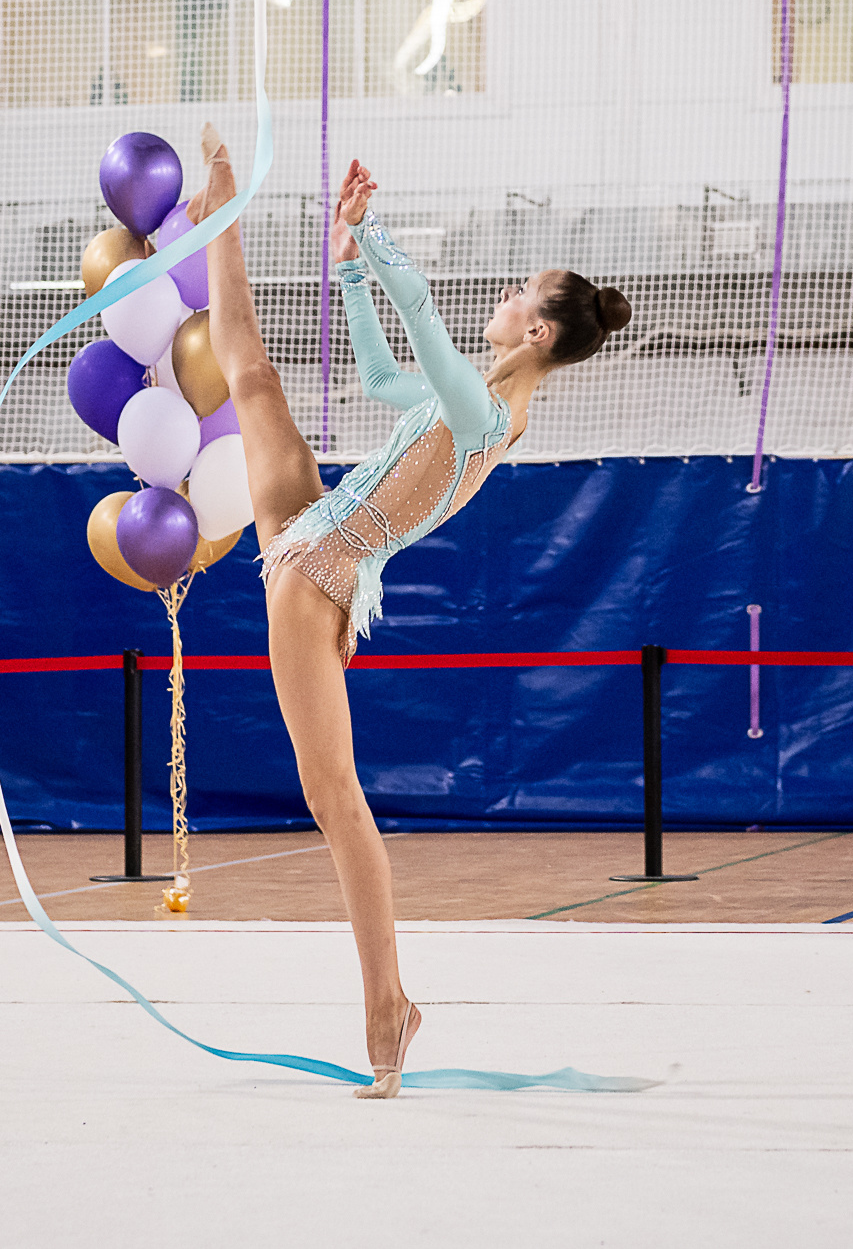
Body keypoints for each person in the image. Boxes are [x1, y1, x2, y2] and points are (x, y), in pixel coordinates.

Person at [187, 126, 632, 1097]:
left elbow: (423, 315)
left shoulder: (490, 413)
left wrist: (372, 234)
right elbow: (392, 378)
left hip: (321, 572)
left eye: (519, 289)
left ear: (539, 333)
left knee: (334, 797)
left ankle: (388, 1004)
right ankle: (218, 205)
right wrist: (347, 269)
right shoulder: (466, 399)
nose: (503, 295)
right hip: (312, 530)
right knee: (250, 367)